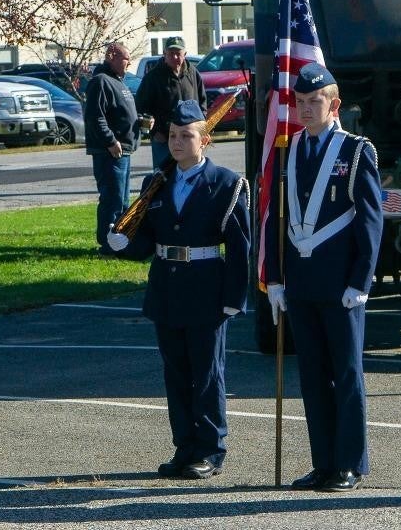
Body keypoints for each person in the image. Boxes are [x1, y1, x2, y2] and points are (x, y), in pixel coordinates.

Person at [110, 99, 249, 480]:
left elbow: (239, 247)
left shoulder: (226, 183)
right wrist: (124, 244)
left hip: (206, 287)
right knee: (176, 373)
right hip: (167, 288)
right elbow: (149, 239)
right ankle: (184, 447)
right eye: (173, 135)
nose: (177, 142)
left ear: (205, 140)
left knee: (206, 374)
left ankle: (210, 449)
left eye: (186, 136)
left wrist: (235, 299)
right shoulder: (157, 181)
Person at [263, 63, 383, 493]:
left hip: (340, 284)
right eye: (301, 102)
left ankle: (349, 463)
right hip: (301, 281)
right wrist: (274, 278)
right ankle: (323, 462)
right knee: (312, 377)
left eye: (315, 102)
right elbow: (276, 218)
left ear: (334, 105)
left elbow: (371, 220)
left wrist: (361, 281)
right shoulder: (288, 148)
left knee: (346, 374)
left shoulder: (355, 151)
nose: (306, 109)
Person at [84, 42, 141, 255]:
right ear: (111, 56)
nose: (129, 63)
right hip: (110, 152)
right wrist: (110, 141)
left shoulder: (118, 82)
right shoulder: (100, 81)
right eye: (126, 58)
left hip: (124, 150)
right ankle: (109, 245)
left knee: (122, 200)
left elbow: (120, 113)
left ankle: (120, 241)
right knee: (112, 199)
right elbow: (95, 116)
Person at [137, 36, 207, 170]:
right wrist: (155, 132)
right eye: (171, 53)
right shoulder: (153, 77)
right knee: (163, 179)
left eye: (178, 54)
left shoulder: (193, 73)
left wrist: (201, 127)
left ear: (185, 54)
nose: (175, 57)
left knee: (191, 174)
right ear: (164, 54)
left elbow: (202, 102)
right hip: (164, 139)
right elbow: (141, 107)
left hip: (190, 138)